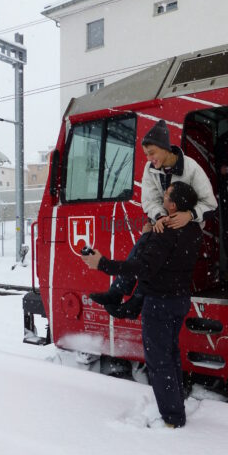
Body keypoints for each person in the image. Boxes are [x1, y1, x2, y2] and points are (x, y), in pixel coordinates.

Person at [82, 182, 203, 428]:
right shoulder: (194, 231)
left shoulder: (166, 232)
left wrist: (102, 263)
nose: (162, 198)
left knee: (159, 361)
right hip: (179, 300)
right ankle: (176, 406)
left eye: (166, 196)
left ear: (173, 205)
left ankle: (172, 418)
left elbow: (143, 268)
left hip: (160, 303)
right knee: (170, 355)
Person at [89, 119, 217, 312]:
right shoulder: (150, 170)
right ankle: (121, 293)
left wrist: (189, 215)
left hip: (186, 229)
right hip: (163, 224)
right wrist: (158, 217)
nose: (149, 158)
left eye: (152, 153)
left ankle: (131, 299)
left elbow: (211, 204)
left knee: (152, 262)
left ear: (165, 149)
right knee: (144, 250)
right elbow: (149, 200)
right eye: (146, 154)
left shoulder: (191, 168)